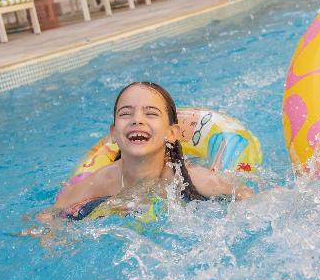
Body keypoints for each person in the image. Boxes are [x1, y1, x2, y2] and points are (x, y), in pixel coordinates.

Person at [41, 81, 252, 223]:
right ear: (114, 134)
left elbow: (245, 197)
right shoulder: (103, 181)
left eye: (151, 113)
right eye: (126, 113)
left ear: (172, 133)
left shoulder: (190, 178)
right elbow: (50, 214)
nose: (137, 120)